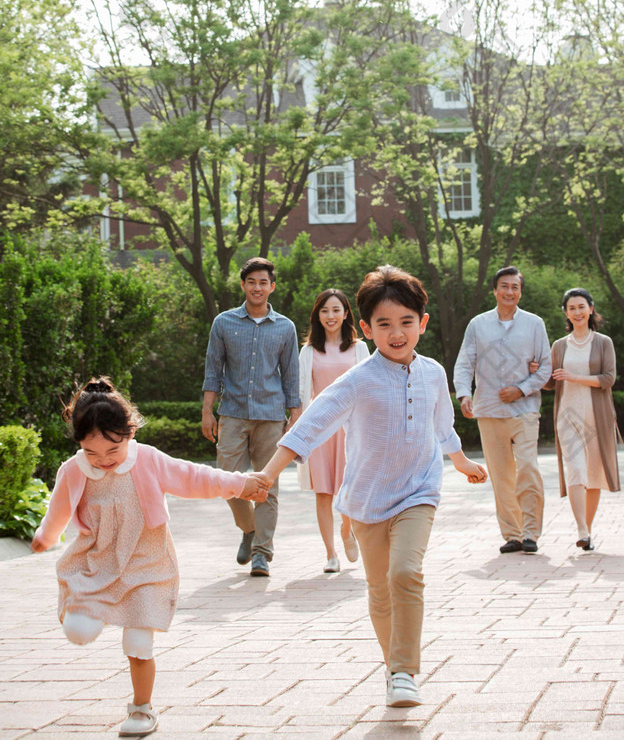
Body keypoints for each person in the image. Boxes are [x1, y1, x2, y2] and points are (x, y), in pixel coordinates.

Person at [259, 265, 487, 708]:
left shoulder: (434, 373)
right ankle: (393, 667)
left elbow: (443, 424)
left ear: (422, 322)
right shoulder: (358, 379)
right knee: (380, 590)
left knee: (406, 573)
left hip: (419, 489)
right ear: (365, 328)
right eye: (384, 324)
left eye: (406, 322)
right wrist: (268, 474)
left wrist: (459, 461)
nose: (396, 333)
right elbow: (312, 425)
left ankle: (404, 670)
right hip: (365, 498)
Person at [31, 376, 268, 738]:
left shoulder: (147, 460)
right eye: (92, 453)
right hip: (96, 563)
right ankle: (91, 611)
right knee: (78, 631)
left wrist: (241, 483)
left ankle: (142, 709)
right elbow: (58, 511)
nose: (104, 461)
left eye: (113, 451)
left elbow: (195, 477)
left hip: (147, 563)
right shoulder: (74, 469)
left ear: (129, 433)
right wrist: (45, 537)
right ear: (79, 444)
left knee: (138, 644)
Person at [201, 256, 300, 578]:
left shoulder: (285, 327)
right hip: (232, 413)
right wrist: (207, 411)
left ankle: (262, 554)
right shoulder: (224, 323)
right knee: (226, 479)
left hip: (271, 416)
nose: (257, 287)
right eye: (251, 282)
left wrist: (295, 415)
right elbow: (213, 370)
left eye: (263, 282)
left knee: (267, 486)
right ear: (243, 285)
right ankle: (249, 529)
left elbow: (291, 376)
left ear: (272, 287)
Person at [453, 265, 551, 554]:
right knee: (501, 474)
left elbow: (545, 367)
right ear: (495, 290)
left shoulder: (535, 324)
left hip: (525, 409)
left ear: (520, 291)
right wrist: (463, 395)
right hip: (488, 410)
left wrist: (521, 388)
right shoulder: (477, 325)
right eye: (504, 286)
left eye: (515, 287)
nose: (510, 292)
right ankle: (513, 534)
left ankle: (531, 532)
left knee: (528, 468)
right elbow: (464, 363)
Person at [297, 288, 370, 573]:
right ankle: (330, 554)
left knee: (349, 487)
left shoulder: (359, 348)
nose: (331, 316)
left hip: (351, 429)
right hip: (320, 430)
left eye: (336, 310)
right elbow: (303, 393)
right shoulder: (308, 351)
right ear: (317, 314)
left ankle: (347, 529)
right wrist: (300, 431)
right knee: (324, 493)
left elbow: (367, 388)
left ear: (346, 314)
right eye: (325, 310)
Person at [545, 287, 620, 551]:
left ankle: (587, 531)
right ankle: (580, 528)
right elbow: (551, 383)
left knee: (593, 475)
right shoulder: (559, 345)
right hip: (567, 417)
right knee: (576, 470)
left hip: (596, 418)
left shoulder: (603, 342)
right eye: (571, 308)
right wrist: (539, 371)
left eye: (581, 306)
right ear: (566, 313)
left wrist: (575, 377)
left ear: (590, 309)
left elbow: (609, 379)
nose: (577, 312)